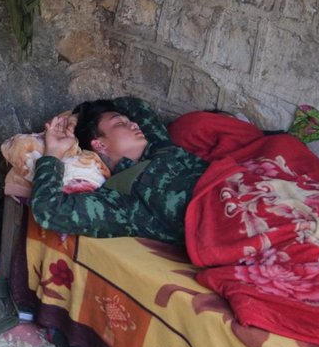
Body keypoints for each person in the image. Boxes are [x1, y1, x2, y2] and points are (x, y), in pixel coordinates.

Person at [30, 96, 207, 243]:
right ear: (100, 144)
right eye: (121, 123)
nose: (134, 124)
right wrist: (54, 152)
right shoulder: (122, 197)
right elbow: (48, 208)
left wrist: (78, 117)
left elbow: (135, 105)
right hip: (213, 216)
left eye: (129, 121)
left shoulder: (158, 145)